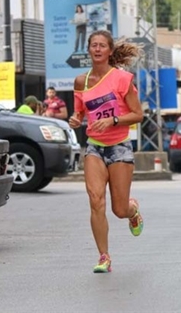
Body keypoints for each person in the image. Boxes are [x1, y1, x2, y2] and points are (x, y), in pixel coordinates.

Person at [68, 30, 144, 274]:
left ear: (110, 51)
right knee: (95, 199)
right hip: (94, 146)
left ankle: (132, 210)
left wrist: (112, 120)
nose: (97, 49)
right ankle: (104, 256)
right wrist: (75, 118)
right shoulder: (81, 81)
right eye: (93, 45)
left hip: (119, 146)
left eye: (102, 45)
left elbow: (138, 114)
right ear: (88, 50)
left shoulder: (122, 78)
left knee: (118, 209)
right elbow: (79, 111)